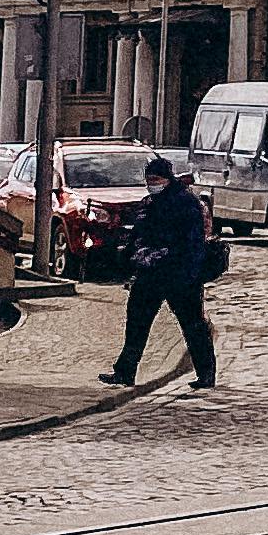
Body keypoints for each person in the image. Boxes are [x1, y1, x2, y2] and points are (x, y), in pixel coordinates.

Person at [108, 155, 217, 390]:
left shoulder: (186, 203)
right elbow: (138, 234)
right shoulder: (150, 203)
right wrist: (127, 258)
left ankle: (206, 374)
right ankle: (124, 372)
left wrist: (188, 273)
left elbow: (192, 243)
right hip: (151, 274)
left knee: (192, 325)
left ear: (167, 179)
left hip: (180, 276)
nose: (152, 184)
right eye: (149, 180)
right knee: (137, 323)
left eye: (156, 179)